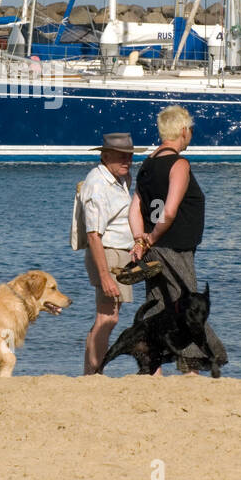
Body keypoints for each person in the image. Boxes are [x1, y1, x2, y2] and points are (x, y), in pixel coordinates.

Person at [128, 105, 228, 373]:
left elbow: (135, 207)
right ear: (183, 131)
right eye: (191, 131)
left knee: (157, 303)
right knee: (188, 306)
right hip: (174, 246)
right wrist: (151, 237)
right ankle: (193, 365)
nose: (191, 135)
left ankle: (151, 363)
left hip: (153, 248)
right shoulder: (179, 164)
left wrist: (140, 240)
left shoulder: (147, 164)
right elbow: (170, 211)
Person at [80, 132, 138, 375]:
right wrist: (105, 276)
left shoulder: (119, 179)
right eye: (120, 156)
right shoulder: (98, 185)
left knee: (109, 316)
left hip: (119, 253)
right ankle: (93, 372)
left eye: (129, 156)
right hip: (108, 253)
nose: (126, 160)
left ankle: (93, 371)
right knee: (108, 317)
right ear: (105, 156)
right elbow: (94, 235)